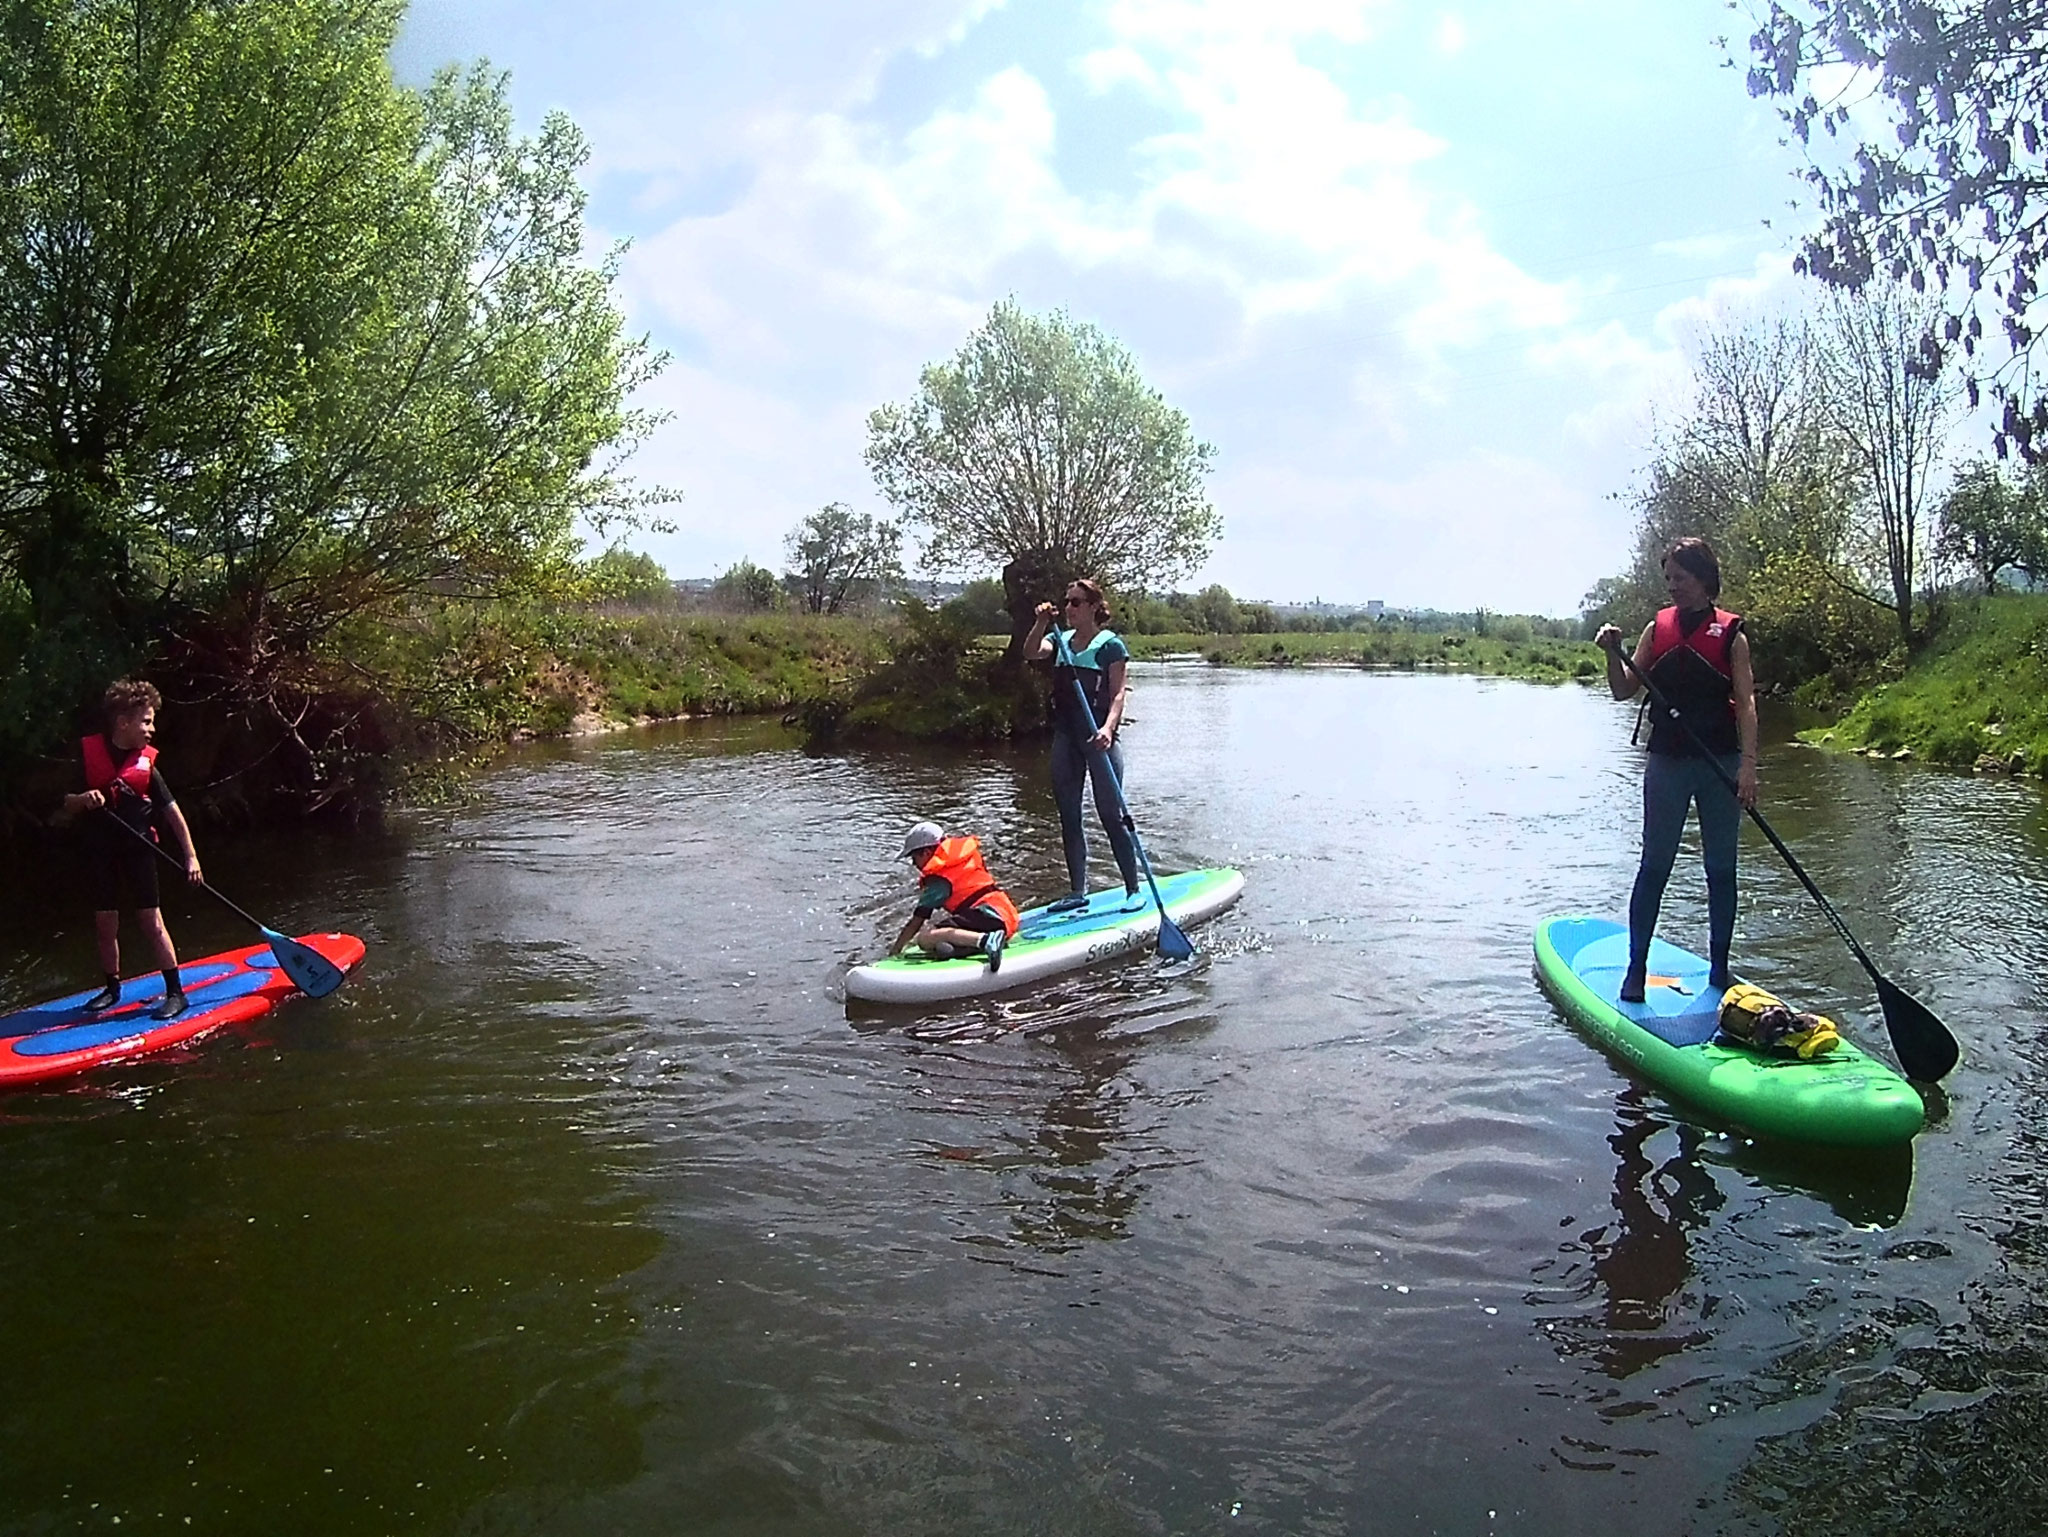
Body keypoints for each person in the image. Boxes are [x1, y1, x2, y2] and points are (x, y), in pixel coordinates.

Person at [1595, 538, 1759, 1003]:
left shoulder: (1732, 635)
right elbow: (1624, 691)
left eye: (1681, 579)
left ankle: (1720, 970)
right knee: (1655, 865)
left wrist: (1749, 766)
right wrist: (1613, 652)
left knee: (1720, 868)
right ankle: (1635, 970)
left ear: (1704, 579)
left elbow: (1746, 704)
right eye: (1668, 579)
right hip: (1667, 763)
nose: (1673, 587)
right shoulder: (1657, 629)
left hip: (1720, 764)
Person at [58, 679, 205, 1020]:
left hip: (138, 850)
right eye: (146, 721)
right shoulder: (88, 753)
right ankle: (111, 989)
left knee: (150, 920)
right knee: (104, 922)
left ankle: (175, 992)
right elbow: (66, 802)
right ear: (123, 723)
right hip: (100, 850)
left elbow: (173, 813)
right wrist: (84, 799)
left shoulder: (147, 765)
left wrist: (191, 856)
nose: (151, 729)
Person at [1022, 576, 1140, 912]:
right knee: (1069, 815)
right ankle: (1077, 891)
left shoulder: (1110, 645)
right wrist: (1041, 622)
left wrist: (1107, 728)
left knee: (1110, 815)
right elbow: (1031, 651)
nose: (1069, 608)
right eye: (1067, 601)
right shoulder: (1060, 640)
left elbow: (1118, 694)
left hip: (1098, 739)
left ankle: (1133, 889)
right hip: (1066, 737)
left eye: (1076, 602)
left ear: (1092, 607)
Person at [890, 821, 1022, 972]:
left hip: (987, 917)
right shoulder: (963, 859)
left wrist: (895, 951)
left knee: (925, 938)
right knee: (943, 946)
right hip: (1006, 914)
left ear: (926, 853)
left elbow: (916, 922)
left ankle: (986, 941)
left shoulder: (939, 882)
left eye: (914, 858)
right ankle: (958, 948)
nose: (914, 863)